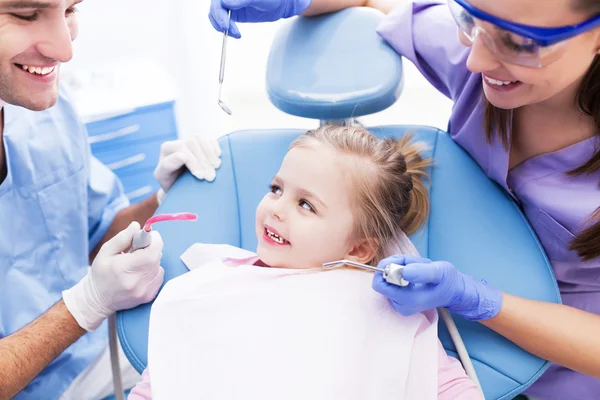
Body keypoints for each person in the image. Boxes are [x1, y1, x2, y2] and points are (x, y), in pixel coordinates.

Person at [208, 0, 600, 398]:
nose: (475, 61)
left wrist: (479, 299)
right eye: (471, 22)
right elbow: (372, 2)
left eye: (517, 43)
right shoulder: (478, 49)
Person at [127, 125, 482, 399]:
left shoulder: (381, 306)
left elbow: (445, 385)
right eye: (276, 189)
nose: (276, 210)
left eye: (306, 205)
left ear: (359, 250)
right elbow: (165, 377)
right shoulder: (211, 289)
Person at [0, 1, 221, 399]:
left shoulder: (43, 108)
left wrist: (162, 197)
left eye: (69, 10)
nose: (66, 50)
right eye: (25, 15)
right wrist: (85, 304)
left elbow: (97, 234)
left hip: (95, 355)